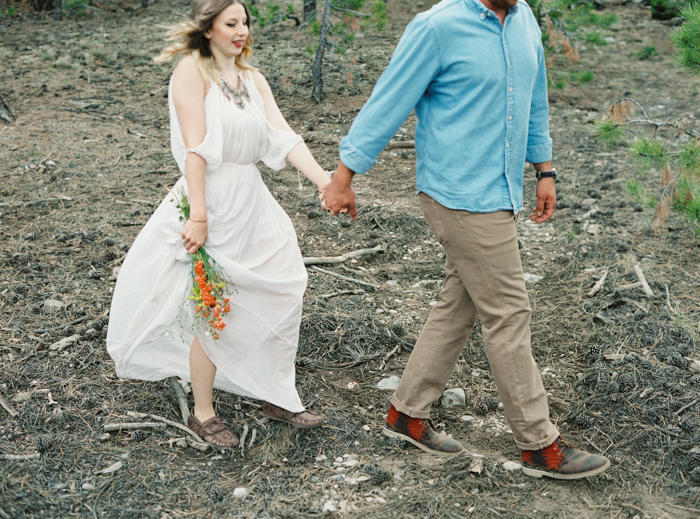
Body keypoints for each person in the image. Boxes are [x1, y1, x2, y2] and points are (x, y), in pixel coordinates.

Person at [321, 0, 611, 479]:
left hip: (498, 190)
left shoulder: (524, 22)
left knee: (462, 301)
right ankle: (539, 443)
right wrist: (344, 175)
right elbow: (387, 101)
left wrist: (544, 169)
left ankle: (407, 413)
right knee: (509, 310)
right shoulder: (437, 27)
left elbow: (534, 99)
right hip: (456, 193)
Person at [106, 0, 331, 448]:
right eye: (231, 23)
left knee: (284, 284)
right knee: (213, 303)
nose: (242, 30)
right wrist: (201, 216)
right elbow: (196, 148)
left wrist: (327, 182)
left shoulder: (252, 78)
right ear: (208, 28)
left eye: (245, 22)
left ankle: (275, 391)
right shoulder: (192, 71)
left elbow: (283, 137)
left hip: (252, 197)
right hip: (211, 196)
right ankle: (203, 411)